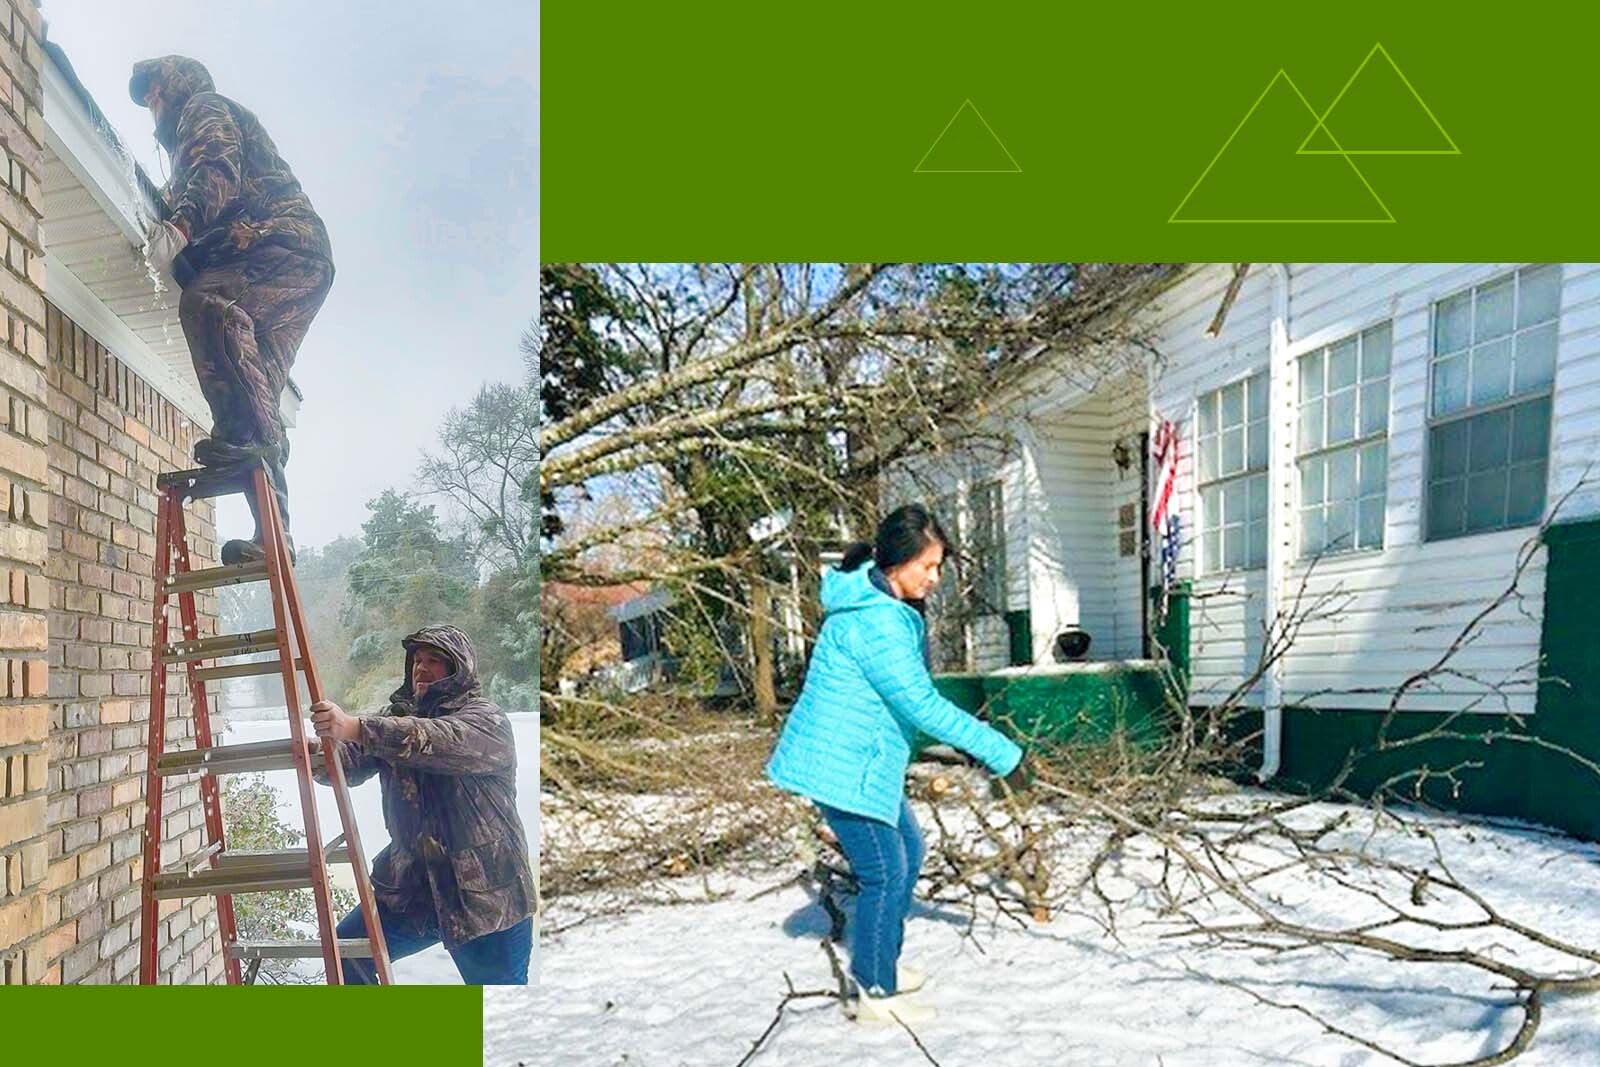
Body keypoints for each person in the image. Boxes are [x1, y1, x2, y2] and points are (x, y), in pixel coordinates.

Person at [767, 505, 1027, 1024]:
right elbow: (921, 705)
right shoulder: (877, 621)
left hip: (864, 761)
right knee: (886, 870)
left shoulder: (879, 606)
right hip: (843, 767)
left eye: (938, 569)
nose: (933, 579)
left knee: (907, 850)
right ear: (895, 564)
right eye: (927, 567)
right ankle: (874, 991)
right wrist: (1001, 752)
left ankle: (877, 963)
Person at [129, 55, 335, 563]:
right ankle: (275, 536)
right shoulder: (181, 144)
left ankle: (238, 444)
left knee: (207, 304)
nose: (152, 103)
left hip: (274, 245)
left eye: (154, 91)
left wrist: (177, 228)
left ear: (176, 86)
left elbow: (216, 168)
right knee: (255, 394)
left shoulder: (205, 108)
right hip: (296, 264)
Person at [308, 625, 535, 985]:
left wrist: (354, 727)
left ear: (459, 669)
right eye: (417, 660)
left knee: (496, 1001)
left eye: (434, 661)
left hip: (485, 896)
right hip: (411, 889)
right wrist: (320, 754)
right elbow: (350, 763)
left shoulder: (485, 720)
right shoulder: (396, 718)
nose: (421, 668)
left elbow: (435, 741)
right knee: (348, 955)